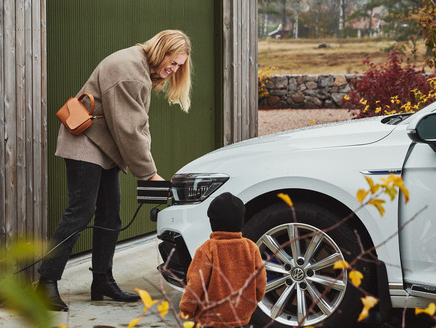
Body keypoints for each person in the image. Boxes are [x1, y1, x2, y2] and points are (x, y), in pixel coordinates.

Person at [35, 29, 193, 312]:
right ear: (161, 50)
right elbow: (129, 130)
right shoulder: (128, 71)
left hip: (103, 146)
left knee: (110, 214)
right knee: (80, 212)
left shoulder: (139, 66)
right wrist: (149, 173)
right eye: (173, 61)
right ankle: (45, 283)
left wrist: (147, 169)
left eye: (179, 65)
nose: (173, 69)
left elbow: (135, 126)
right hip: (84, 143)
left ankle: (102, 281)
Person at [179, 192, 267, 328]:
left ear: (212, 222)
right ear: (241, 221)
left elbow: (195, 285)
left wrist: (187, 310)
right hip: (241, 316)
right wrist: (253, 301)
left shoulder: (207, 249)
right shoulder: (251, 247)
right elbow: (261, 281)